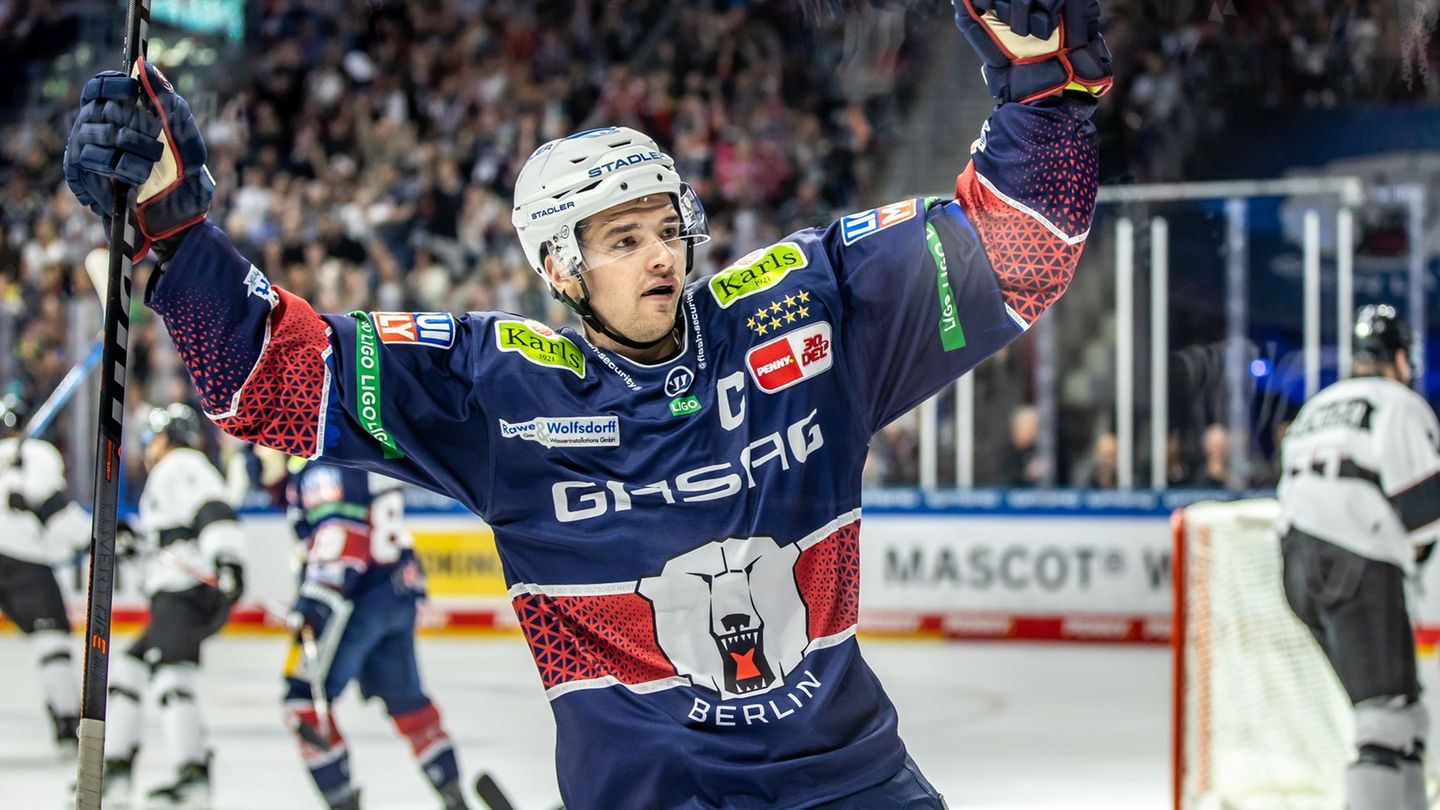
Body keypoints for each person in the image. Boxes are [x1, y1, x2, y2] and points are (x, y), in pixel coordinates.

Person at [63, 1, 1111, 805]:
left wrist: (1043, 98)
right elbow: (272, 386)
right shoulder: (498, 392)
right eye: (623, 239)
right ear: (561, 271)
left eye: (667, 226)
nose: (661, 253)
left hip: (853, 783)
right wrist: (172, 230)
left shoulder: (808, 311)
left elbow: (1023, 257)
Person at [1277, 304, 1440, 810]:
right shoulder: (1398, 403)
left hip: (1296, 569)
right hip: (1357, 561)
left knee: (1402, 715)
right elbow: (1424, 512)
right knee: (1386, 719)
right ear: (1398, 358)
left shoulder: (1317, 406)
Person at [282, 457, 469, 810]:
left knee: (301, 699)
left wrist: (315, 603)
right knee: (409, 705)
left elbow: (341, 534)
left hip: (353, 604)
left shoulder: (324, 457)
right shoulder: (367, 445)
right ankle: (456, 798)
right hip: (397, 592)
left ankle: (342, 803)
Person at [102, 403, 246, 808]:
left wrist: (228, 559)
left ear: (165, 438)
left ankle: (190, 773)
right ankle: (119, 768)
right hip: (180, 593)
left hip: (186, 592)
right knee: (132, 669)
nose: (147, 450)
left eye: (151, 441)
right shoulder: (177, 472)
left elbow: (213, 511)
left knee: (170, 679)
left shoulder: (180, 465)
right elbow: (174, 533)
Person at [0, 394, 90, 754]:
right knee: (52, 643)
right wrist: (97, 537)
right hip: (25, 558)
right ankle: (68, 726)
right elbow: (53, 509)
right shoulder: (37, 454)